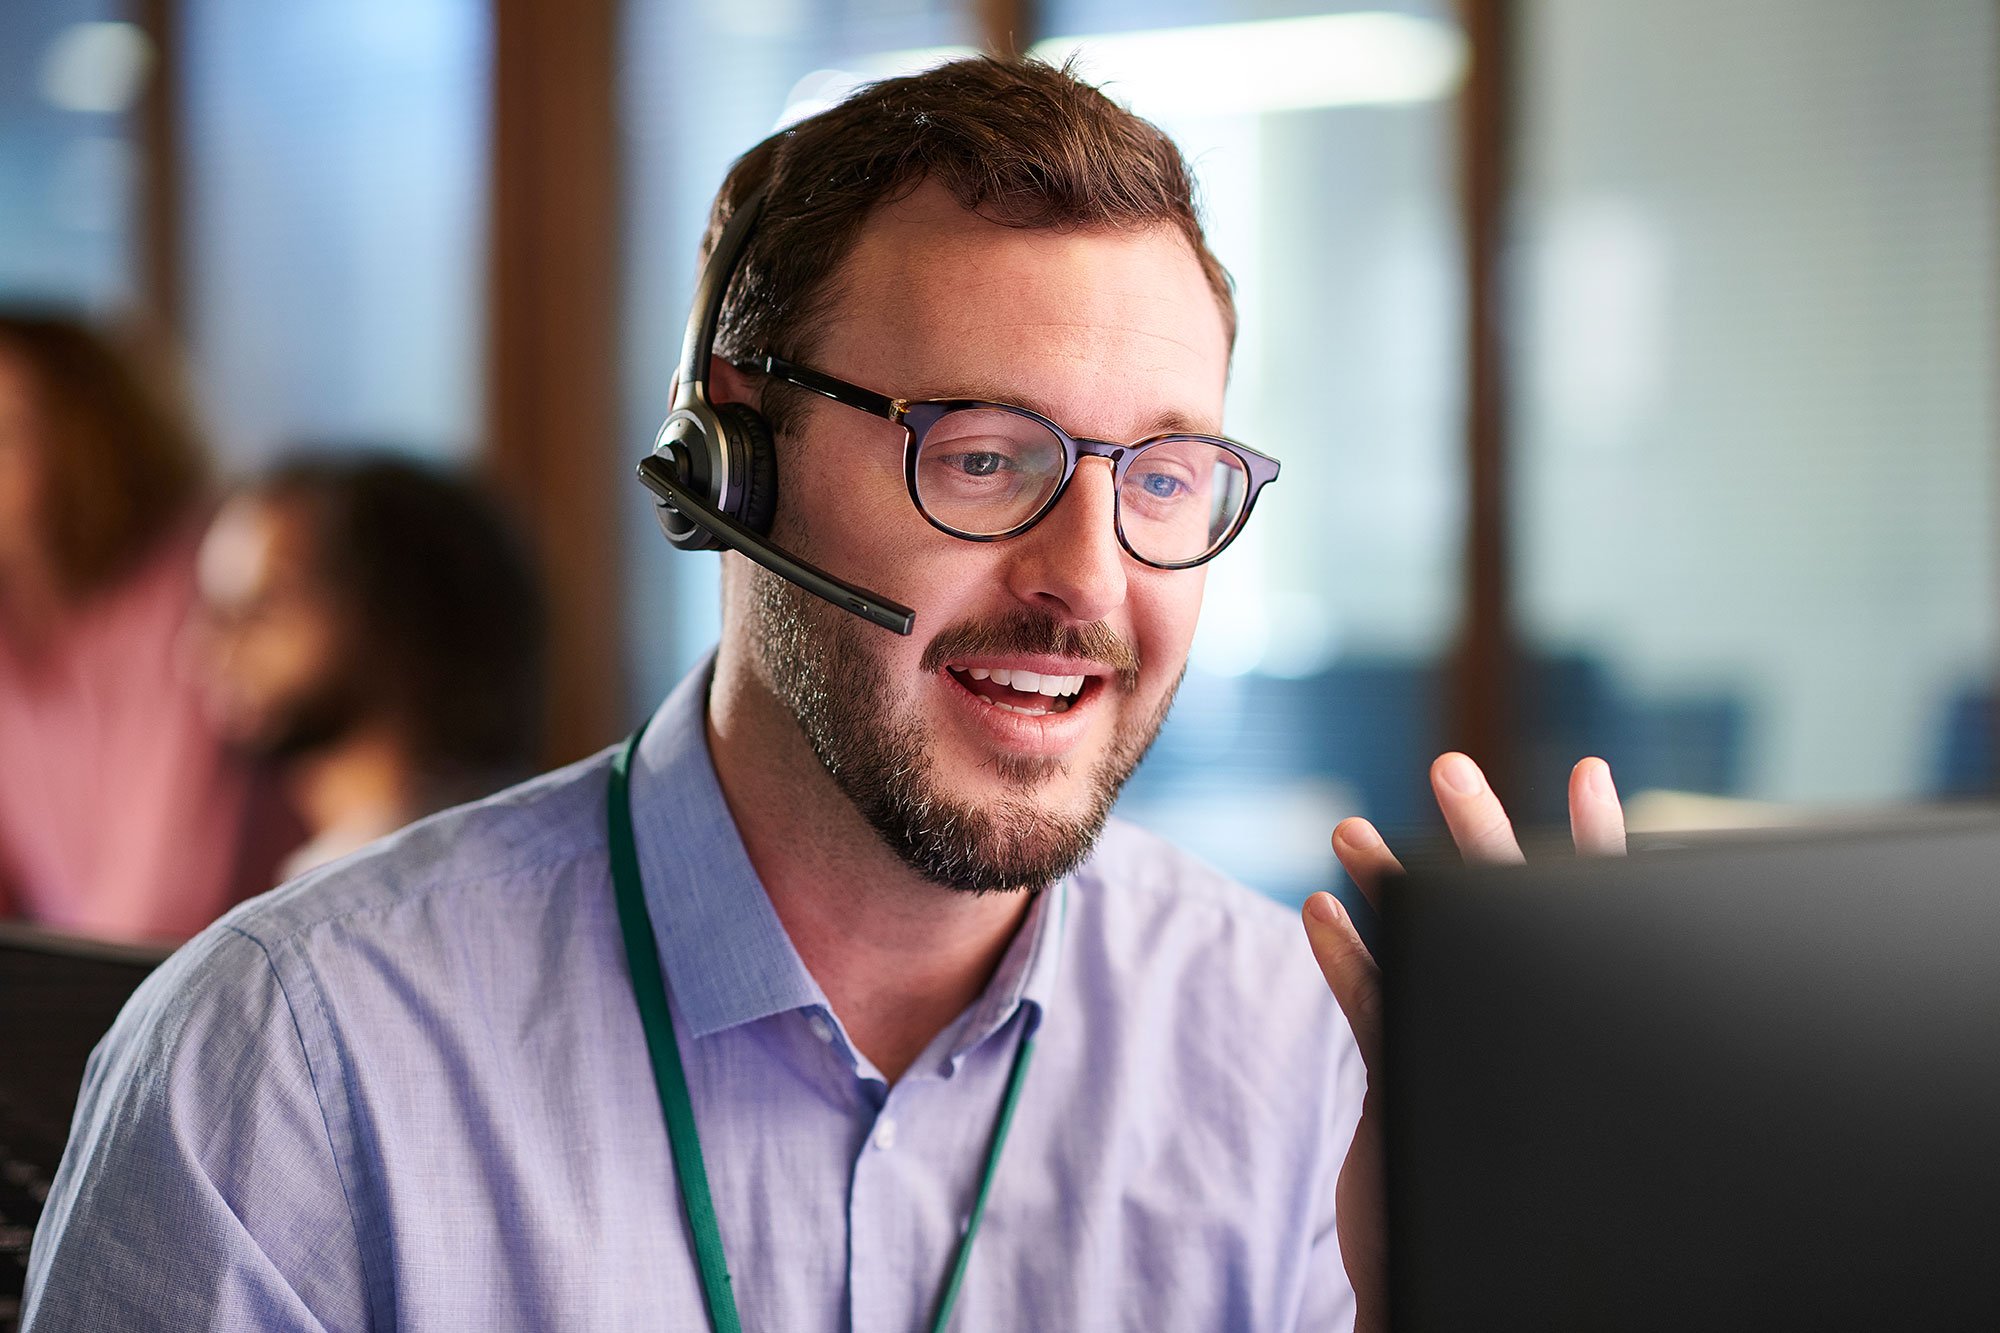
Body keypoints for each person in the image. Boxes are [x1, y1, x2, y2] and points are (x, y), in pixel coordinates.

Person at [23, 59, 1624, 1331]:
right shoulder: (293, 1067)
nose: (1088, 580)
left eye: (1162, 476)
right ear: (737, 459)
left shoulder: (1309, 1067)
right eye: (983, 457)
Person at [0, 311, 294, 943]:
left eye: (6, 436)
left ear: (87, 447)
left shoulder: (194, 585)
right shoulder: (13, 614)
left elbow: (163, 904)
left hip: (229, 975)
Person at [187, 453, 548, 880]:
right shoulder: (334, 865)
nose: (205, 649)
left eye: (261, 610)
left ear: (397, 619)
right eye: (218, 613)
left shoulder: (456, 875)